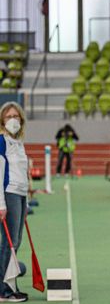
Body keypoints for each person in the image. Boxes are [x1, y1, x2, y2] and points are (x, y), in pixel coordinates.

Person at [0, 102, 30, 302]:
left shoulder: (18, 142)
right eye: (9, 116)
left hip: (20, 195)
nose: (13, 120)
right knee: (8, 244)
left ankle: (11, 285)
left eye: (16, 116)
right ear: (2, 120)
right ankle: (3, 290)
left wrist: (26, 200)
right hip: (8, 194)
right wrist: (1, 203)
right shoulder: (1, 141)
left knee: (15, 242)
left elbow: (22, 173)